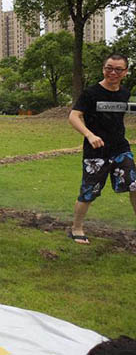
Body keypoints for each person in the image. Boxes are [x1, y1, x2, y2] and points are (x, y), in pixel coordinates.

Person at [68, 54, 136, 244]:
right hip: (95, 152)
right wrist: (89, 135)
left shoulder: (124, 93)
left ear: (125, 72)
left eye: (118, 69)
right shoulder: (91, 93)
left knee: (134, 185)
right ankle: (76, 228)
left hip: (121, 149)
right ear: (103, 68)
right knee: (89, 192)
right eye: (109, 68)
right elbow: (73, 116)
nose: (112, 72)